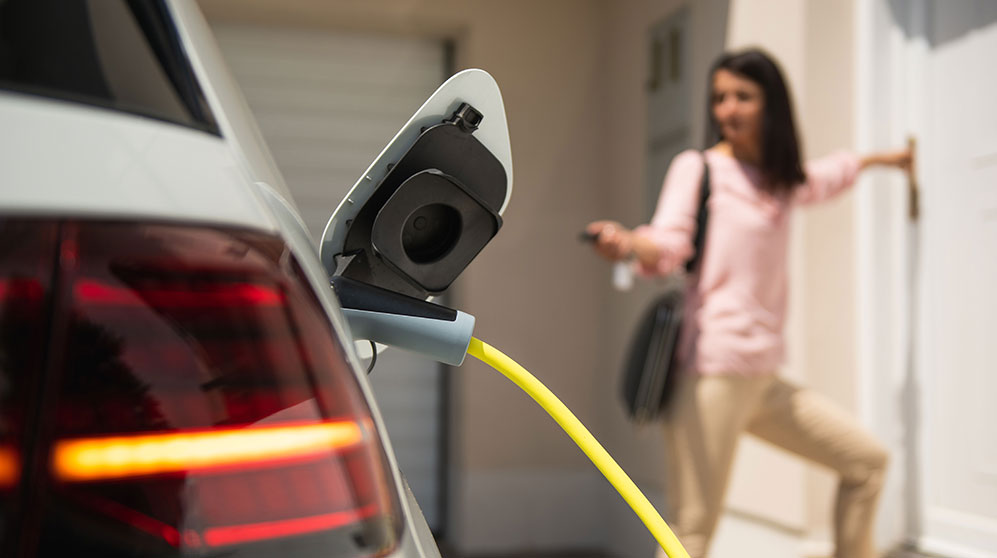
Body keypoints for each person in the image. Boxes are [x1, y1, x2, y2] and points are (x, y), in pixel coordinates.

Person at [587, 48, 912, 558]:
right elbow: (670, 242)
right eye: (719, 98)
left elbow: (828, 175)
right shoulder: (698, 169)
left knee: (866, 463)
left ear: (772, 104)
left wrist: (883, 160)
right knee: (691, 533)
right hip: (711, 374)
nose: (727, 110)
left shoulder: (781, 181)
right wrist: (629, 244)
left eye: (743, 96)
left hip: (764, 378)